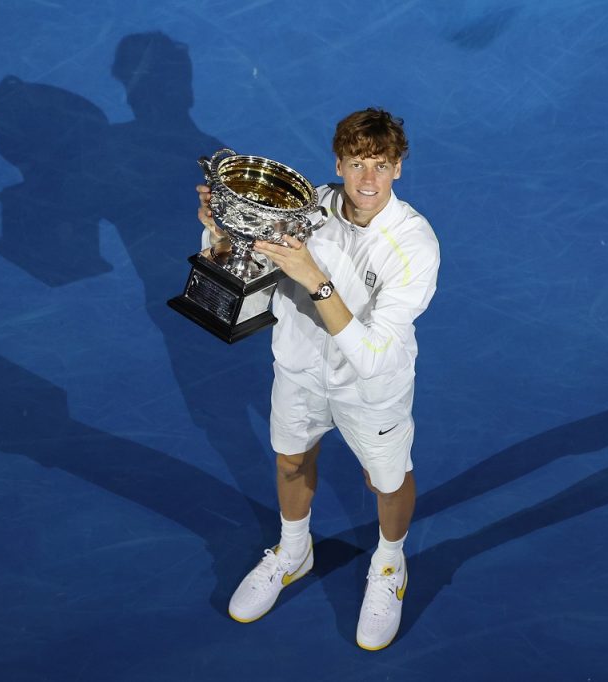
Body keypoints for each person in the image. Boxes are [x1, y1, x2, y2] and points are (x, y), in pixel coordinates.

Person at [196, 108, 439, 650]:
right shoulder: (305, 209)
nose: (368, 180)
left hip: (371, 390)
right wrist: (219, 234)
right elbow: (249, 278)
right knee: (289, 459)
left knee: (387, 481)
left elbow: (373, 356)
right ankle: (293, 550)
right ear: (339, 163)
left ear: (399, 168)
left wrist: (315, 279)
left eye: (381, 165)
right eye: (357, 164)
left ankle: (389, 564)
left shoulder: (415, 244)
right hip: (300, 373)